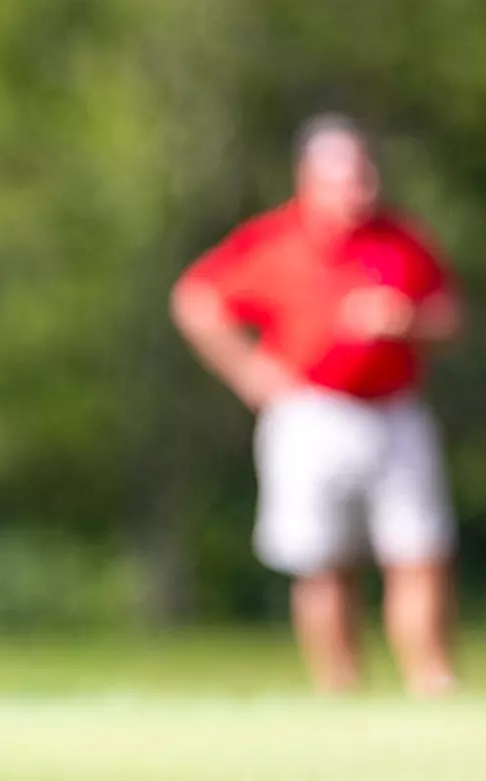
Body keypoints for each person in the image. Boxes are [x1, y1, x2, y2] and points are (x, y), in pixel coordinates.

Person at [170, 114, 462, 695]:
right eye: (344, 176)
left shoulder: (401, 238)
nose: (360, 187)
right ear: (308, 179)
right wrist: (249, 370)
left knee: (418, 553)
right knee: (324, 563)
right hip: (310, 415)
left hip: (393, 412)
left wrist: (405, 323)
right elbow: (195, 298)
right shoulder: (276, 239)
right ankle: (340, 688)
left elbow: (450, 318)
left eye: (364, 173)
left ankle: (432, 682)